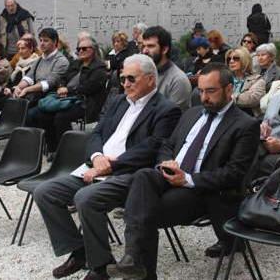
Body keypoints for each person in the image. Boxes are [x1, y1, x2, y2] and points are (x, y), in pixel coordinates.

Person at [33, 54, 181, 280]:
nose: (125, 84)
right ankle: (81, 252)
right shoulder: (119, 101)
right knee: (45, 192)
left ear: (151, 79)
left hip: (130, 175)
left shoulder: (166, 109)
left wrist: (111, 165)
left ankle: (100, 267)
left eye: (131, 78)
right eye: (122, 79)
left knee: (86, 198)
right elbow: (97, 133)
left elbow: (152, 148)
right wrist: (97, 156)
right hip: (97, 166)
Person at [106, 63, 260, 279]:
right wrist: (166, 163)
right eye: (201, 91)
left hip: (201, 189)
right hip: (171, 175)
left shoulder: (245, 125)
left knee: (143, 211)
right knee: (143, 175)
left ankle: (138, 266)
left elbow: (234, 174)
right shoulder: (192, 114)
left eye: (211, 91)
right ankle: (133, 260)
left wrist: (187, 179)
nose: (204, 97)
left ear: (229, 89)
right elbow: (167, 145)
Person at [30, 35, 109, 154]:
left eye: (84, 48)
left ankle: (68, 151)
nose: (80, 51)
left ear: (93, 50)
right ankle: (53, 149)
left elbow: (89, 88)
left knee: (61, 117)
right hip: (67, 98)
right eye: (78, 49)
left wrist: (68, 90)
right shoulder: (76, 64)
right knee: (43, 114)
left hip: (86, 102)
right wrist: (61, 86)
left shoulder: (99, 68)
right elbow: (63, 78)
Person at [14, 27, 70, 105]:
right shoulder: (39, 59)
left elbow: (49, 83)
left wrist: (27, 89)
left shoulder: (61, 61)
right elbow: (29, 77)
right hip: (36, 96)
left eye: (46, 41)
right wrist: (19, 87)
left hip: (49, 99)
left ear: (54, 42)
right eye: (40, 40)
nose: (42, 43)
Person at [141, 26, 192, 110]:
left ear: (164, 49)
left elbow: (173, 115)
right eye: (143, 46)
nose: (144, 51)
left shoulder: (178, 80)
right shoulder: (141, 73)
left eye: (150, 46)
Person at [226, 47, 265, 116]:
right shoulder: (225, 78)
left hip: (248, 116)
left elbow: (252, 99)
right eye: (229, 59)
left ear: (244, 60)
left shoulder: (257, 79)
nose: (231, 61)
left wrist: (229, 98)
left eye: (236, 58)